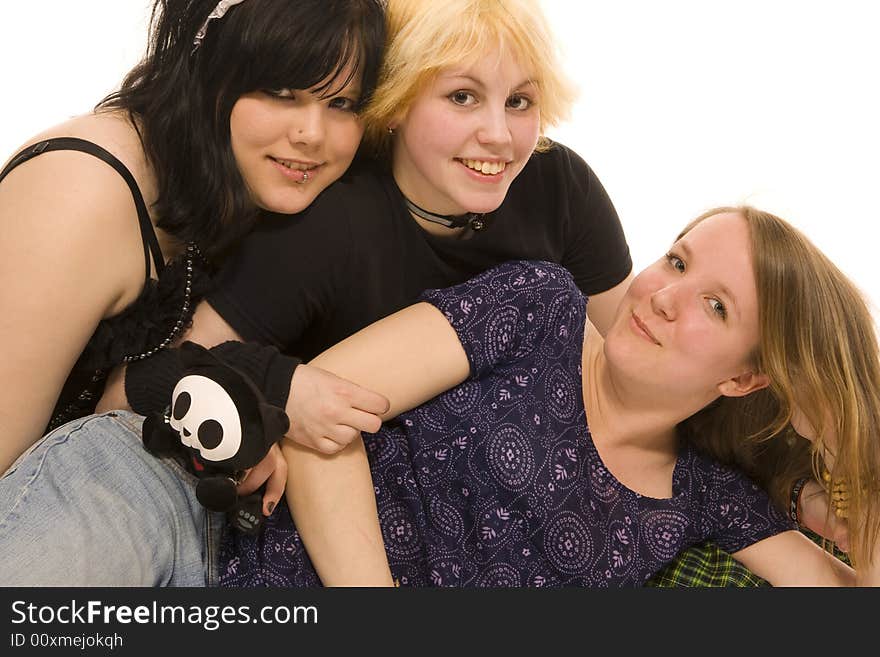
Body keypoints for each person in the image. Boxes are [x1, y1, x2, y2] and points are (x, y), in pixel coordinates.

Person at [222, 206, 878, 587]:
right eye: (677, 261)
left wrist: (833, 428)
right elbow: (315, 412)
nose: (663, 295)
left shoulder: (705, 495)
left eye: (715, 304)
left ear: (744, 378)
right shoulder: (541, 306)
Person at [0, 0, 387, 585]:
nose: (312, 134)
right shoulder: (83, 192)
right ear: (209, 67)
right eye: (282, 92)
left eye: (341, 104)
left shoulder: (247, 186)